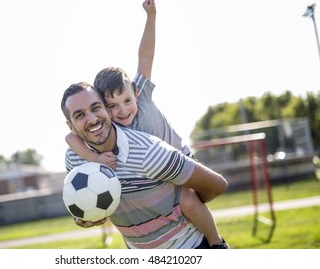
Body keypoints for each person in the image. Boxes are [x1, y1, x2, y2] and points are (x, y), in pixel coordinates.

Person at [65, 0, 228, 248]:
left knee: (188, 202)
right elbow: (70, 139)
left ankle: (217, 244)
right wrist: (95, 162)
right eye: (112, 106)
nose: (122, 110)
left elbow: (145, 56)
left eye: (126, 101)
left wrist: (151, 17)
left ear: (136, 93)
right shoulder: (106, 132)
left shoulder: (140, 96)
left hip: (180, 160)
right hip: (153, 192)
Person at [61, 81, 228, 249]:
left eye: (96, 108)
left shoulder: (148, 152)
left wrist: (184, 205)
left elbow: (217, 186)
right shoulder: (75, 160)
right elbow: (85, 198)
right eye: (79, 115)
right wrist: (85, 215)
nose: (92, 118)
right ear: (71, 126)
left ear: (107, 109)